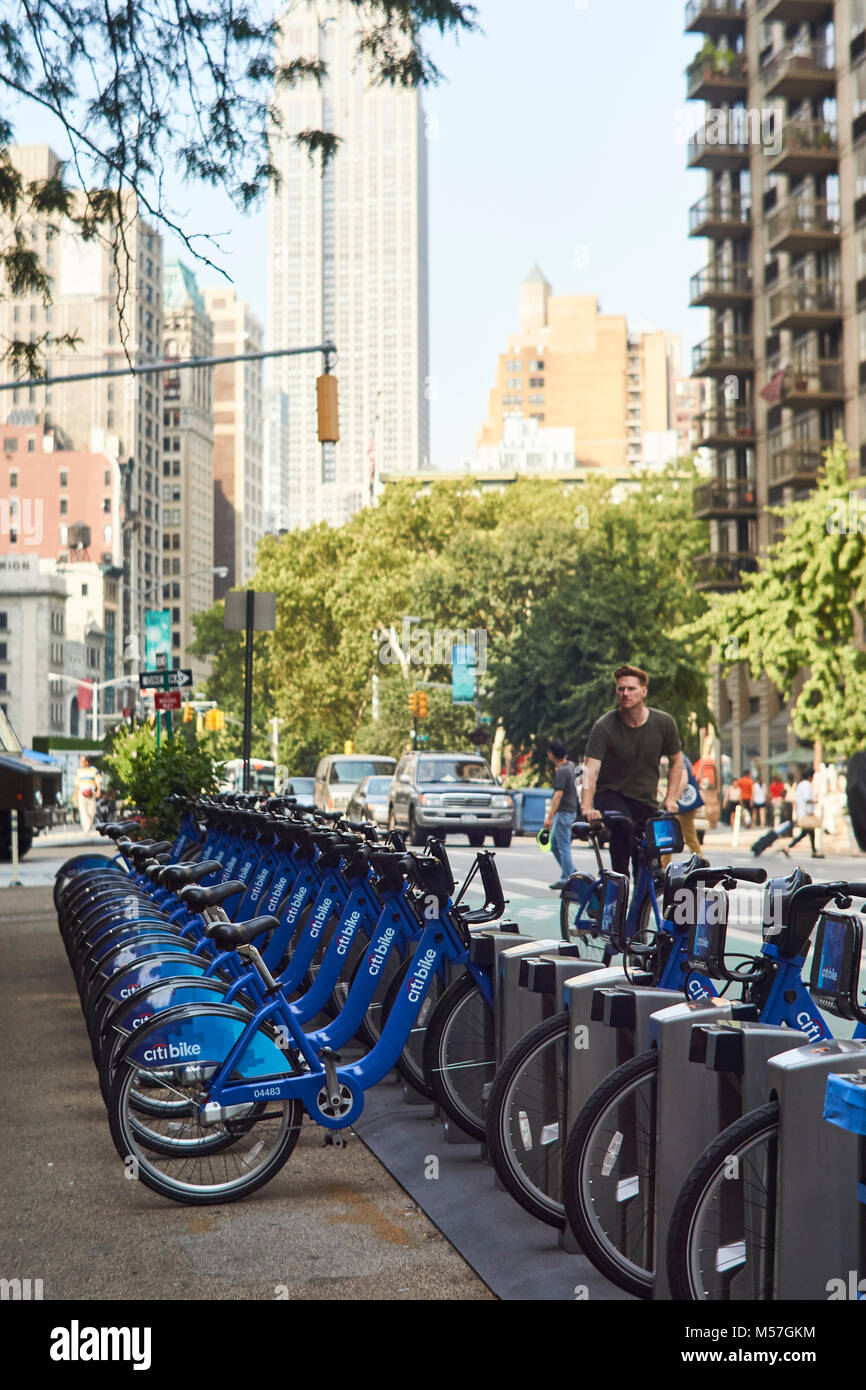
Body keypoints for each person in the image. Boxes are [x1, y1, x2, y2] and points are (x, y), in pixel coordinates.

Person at [581, 664, 683, 878]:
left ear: (643, 692)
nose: (625, 693)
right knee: (622, 830)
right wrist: (587, 806)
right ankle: (615, 895)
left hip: (645, 800)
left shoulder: (664, 723)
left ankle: (641, 907)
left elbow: (676, 762)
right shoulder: (604, 726)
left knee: (648, 862)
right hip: (611, 795)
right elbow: (590, 769)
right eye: (620, 689)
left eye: (630, 688)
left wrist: (672, 798)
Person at [543, 738, 578, 889]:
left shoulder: (561, 771)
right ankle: (570, 871)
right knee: (555, 846)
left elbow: (558, 795)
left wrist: (549, 817)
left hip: (564, 813)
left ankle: (567, 879)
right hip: (570, 811)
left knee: (563, 847)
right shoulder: (571, 765)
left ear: (551, 754)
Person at [783, 768, 824, 859]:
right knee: (806, 833)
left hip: (802, 812)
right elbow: (807, 799)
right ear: (810, 777)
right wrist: (814, 802)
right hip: (806, 813)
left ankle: (813, 851)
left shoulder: (801, 785)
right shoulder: (806, 785)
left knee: (808, 833)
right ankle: (788, 847)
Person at [673, 751, 703, 855]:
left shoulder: (679, 757)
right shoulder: (683, 756)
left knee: (685, 834)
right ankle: (664, 862)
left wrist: (673, 798)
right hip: (685, 803)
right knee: (677, 833)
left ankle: (700, 860)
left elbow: (684, 779)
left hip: (683, 803)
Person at [75, 755, 100, 833]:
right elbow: (76, 784)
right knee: (83, 811)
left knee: (92, 810)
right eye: (80, 761)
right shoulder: (78, 771)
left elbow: (98, 781)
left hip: (91, 793)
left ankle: (89, 823)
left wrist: (99, 790)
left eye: (82, 761)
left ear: (87, 762)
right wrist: (75, 795)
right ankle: (86, 828)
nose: (81, 763)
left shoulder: (93, 770)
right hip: (81, 793)